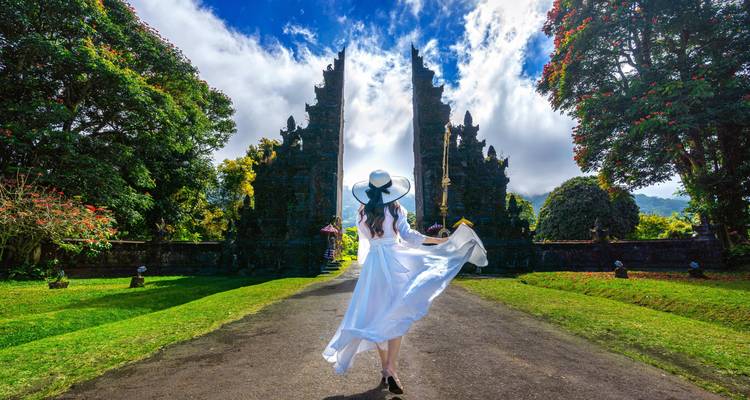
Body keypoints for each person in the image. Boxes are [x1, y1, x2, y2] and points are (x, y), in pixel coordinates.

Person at [322, 169, 488, 394]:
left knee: (376, 314)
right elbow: (409, 236)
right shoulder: (396, 208)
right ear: (390, 188)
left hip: (374, 267)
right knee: (396, 313)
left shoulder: (362, 212)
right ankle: (391, 368)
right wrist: (439, 241)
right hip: (395, 262)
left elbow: (367, 241)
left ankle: (385, 369)